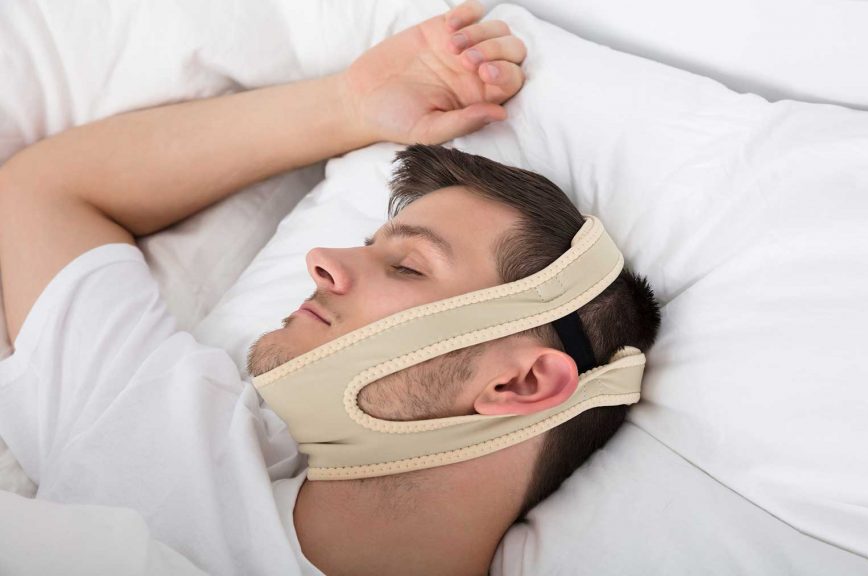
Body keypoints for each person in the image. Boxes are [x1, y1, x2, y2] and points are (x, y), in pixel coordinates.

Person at [0, 1, 659, 575]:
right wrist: (347, 106)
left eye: (408, 266)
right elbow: (45, 193)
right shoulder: (170, 436)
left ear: (520, 383)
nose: (320, 260)